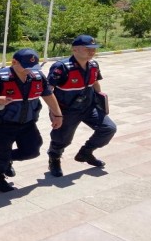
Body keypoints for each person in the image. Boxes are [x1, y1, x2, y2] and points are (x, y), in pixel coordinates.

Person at [0, 48, 63, 192]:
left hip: (27, 123)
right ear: (14, 62)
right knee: (2, 152)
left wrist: (57, 115)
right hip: (1, 124)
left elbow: (48, 95)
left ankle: (7, 160)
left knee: (32, 151)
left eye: (33, 67)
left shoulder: (37, 77)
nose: (30, 70)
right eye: (26, 67)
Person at [46, 35, 117, 177]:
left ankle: (85, 152)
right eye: (87, 49)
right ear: (74, 50)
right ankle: (54, 158)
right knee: (62, 139)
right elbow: (48, 91)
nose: (92, 52)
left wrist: (101, 99)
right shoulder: (61, 67)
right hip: (67, 110)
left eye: (94, 49)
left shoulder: (94, 65)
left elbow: (95, 82)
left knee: (108, 128)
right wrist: (54, 112)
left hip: (89, 107)